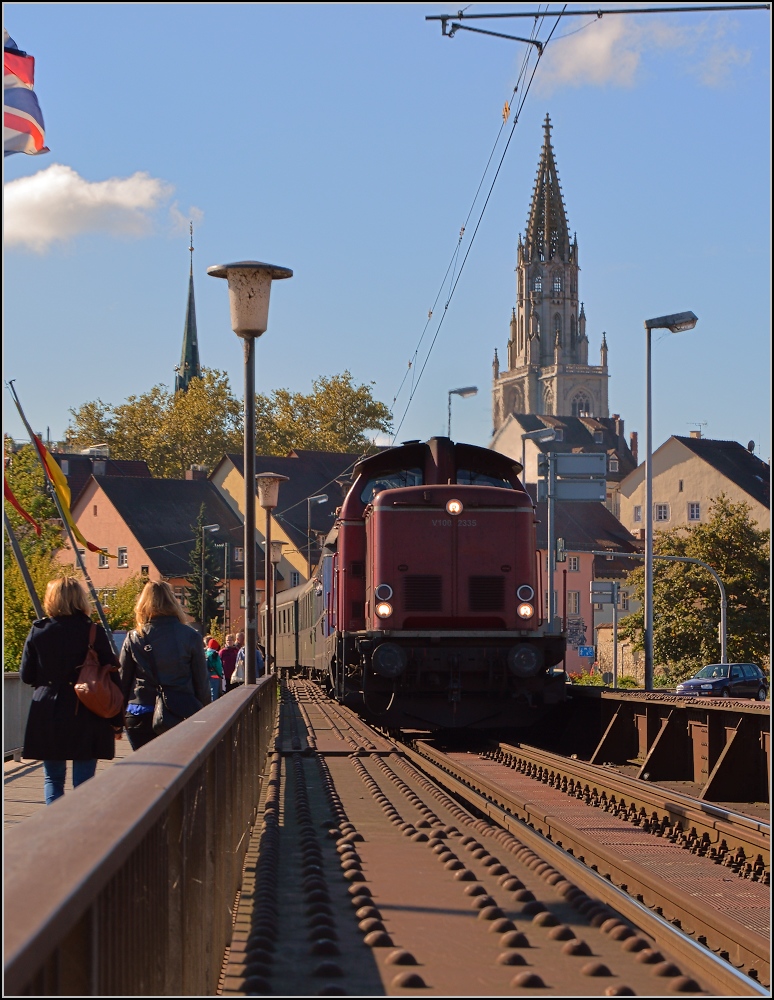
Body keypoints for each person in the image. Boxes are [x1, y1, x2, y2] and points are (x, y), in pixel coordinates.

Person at [20, 576, 123, 805]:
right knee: (84, 783)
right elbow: (112, 675)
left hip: (48, 709)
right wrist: (117, 720)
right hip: (88, 709)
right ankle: (81, 831)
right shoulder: (92, 632)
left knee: (53, 779)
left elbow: (27, 675)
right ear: (80, 599)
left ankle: (54, 828)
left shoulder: (39, 630)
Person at [119, 581, 211, 751]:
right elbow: (201, 682)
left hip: (140, 712)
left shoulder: (134, 637)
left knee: (146, 770)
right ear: (172, 602)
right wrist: (204, 714)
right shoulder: (190, 636)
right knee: (178, 770)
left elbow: (123, 681)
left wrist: (117, 722)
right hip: (180, 711)